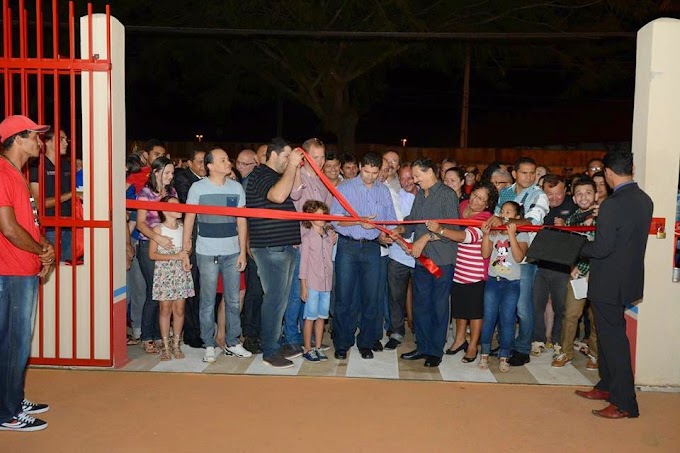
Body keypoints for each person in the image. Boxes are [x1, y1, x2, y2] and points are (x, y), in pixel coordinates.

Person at [575, 151, 652, 419]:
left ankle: (624, 403)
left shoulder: (612, 205)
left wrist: (576, 247)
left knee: (614, 342)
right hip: (628, 279)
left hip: (608, 282)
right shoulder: (644, 199)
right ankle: (606, 386)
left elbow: (603, 248)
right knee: (609, 339)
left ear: (608, 173)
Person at [0, 115, 53, 432]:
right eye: (34, 135)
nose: (39, 141)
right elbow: (7, 228)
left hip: (22, 270)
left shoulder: (16, 174)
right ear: (17, 139)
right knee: (13, 343)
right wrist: (40, 250)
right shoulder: (3, 173)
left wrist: (43, 247)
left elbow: (27, 224)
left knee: (16, 342)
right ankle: (6, 413)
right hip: (10, 273)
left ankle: (13, 399)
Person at [183, 148, 251, 363]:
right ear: (210, 166)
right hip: (206, 252)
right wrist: (186, 249)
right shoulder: (197, 188)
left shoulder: (236, 187)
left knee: (232, 300)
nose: (227, 162)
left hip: (232, 252)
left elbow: (241, 221)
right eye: (222, 160)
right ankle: (209, 344)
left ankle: (233, 341)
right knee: (207, 300)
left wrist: (242, 252)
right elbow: (190, 219)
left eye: (226, 158)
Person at [392, 157, 459, 368]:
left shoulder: (447, 195)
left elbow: (452, 231)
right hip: (422, 260)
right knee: (421, 305)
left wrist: (425, 238)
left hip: (441, 260)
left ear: (430, 171)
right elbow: (413, 221)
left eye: (417, 175)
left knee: (438, 305)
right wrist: (399, 230)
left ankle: (435, 350)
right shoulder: (420, 194)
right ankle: (422, 345)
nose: (415, 180)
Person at [331, 152, 396, 360]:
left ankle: (366, 342)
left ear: (380, 172)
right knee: (344, 297)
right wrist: (359, 221)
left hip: (371, 248)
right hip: (347, 247)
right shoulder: (344, 188)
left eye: (374, 173)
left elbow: (390, 221)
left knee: (371, 297)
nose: (369, 176)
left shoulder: (383, 191)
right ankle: (342, 342)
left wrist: (389, 234)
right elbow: (335, 220)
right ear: (360, 167)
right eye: (366, 171)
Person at [485, 157, 549, 367]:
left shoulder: (539, 195)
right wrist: (500, 222)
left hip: (524, 255)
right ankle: (506, 345)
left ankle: (522, 348)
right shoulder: (505, 193)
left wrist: (504, 221)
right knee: (505, 306)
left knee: (522, 306)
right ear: (515, 173)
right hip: (502, 255)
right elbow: (494, 220)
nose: (529, 177)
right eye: (524, 172)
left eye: (532, 173)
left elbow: (532, 221)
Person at [246, 138, 303, 368]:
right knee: (274, 301)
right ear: (273, 154)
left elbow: (294, 194)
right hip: (271, 248)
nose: (290, 161)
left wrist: (292, 169)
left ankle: (275, 345)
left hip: (283, 246)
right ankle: (270, 351)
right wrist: (292, 167)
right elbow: (278, 196)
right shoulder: (260, 175)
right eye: (286, 156)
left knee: (280, 301)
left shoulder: (273, 176)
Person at [426, 182, 498, 362]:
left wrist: (440, 230)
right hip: (457, 267)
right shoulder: (463, 206)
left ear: (487, 204)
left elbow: (465, 237)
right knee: (459, 307)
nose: (475, 200)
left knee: (474, 311)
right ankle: (459, 339)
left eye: (481, 199)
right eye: (475, 194)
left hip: (474, 270)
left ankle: (473, 345)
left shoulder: (485, 218)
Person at [552, 178, 599, 370]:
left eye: (588, 192)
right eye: (579, 193)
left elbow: (606, 248)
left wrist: (594, 271)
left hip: (599, 274)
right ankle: (566, 352)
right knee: (570, 314)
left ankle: (595, 355)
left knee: (595, 317)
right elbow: (568, 247)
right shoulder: (572, 219)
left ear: (596, 195)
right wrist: (571, 266)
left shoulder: (604, 216)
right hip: (578, 273)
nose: (584, 197)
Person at [479, 201, 530, 373]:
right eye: (502, 211)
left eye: (509, 212)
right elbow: (485, 254)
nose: (504, 214)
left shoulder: (523, 236)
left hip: (511, 283)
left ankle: (504, 355)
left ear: (516, 217)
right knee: (489, 317)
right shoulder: (495, 233)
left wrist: (512, 235)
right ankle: (484, 353)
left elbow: (518, 257)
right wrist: (486, 235)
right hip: (494, 280)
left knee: (508, 320)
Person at [531, 174, 577, 356]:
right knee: (537, 304)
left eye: (559, 194)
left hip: (562, 265)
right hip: (540, 264)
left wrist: (567, 225)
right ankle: (538, 339)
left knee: (560, 306)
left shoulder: (572, 207)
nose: (555, 198)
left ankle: (558, 340)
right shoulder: (537, 207)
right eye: (550, 194)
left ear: (565, 191)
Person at [135, 156, 177, 354]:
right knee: (154, 290)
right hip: (148, 246)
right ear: (156, 173)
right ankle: (147, 335)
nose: (170, 176)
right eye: (167, 173)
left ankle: (160, 334)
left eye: (172, 173)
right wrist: (156, 238)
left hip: (168, 246)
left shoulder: (172, 192)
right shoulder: (145, 193)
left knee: (165, 292)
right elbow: (140, 223)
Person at [149, 196, 194, 361]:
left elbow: (186, 252)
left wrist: (187, 254)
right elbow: (152, 254)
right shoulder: (158, 230)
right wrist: (177, 255)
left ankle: (176, 344)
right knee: (165, 309)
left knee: (180, 309)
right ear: (164, 209)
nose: (179, 207)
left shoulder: (183, 228)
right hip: (165, 271)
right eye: (174, 205)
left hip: (180, 271)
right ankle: (166, 346)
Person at [29, 129, 76, 262]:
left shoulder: (67, 165)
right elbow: (38, 204)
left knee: (68, 270)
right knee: (51, 269)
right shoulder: (37, 167)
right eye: (61, 139)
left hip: (69, 225)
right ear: (47, 142)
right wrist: (70, 195)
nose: (66, 143)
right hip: (49, 228)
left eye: (66, 140)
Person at [299, 200, 334, 363]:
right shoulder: (307, 238)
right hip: (313, 284)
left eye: (323, 214)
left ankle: (318, 346)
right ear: (309, 218)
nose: (321, 218)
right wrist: (303, 286)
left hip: (326, 284)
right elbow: (304, 264)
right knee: (310, 317)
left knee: (322, 316)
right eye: (317, 215)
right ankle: (307, 348)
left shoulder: (328, 236)